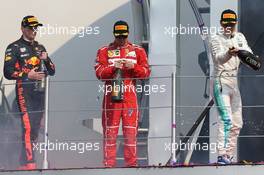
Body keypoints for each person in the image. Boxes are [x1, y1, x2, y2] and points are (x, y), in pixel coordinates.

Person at [95, 20, 150, 167]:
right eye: (119, 36)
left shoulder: (138, 51)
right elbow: (99, 73)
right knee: (110, 133)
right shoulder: (104, 51)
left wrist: (134, 66)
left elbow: (146, 73)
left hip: (130, 96)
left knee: (130, 133)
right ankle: (108, 166)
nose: (121, 40)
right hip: (111, 96)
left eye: (123, 36)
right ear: (114, 34)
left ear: (128, 34)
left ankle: (131, 165)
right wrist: (113, 68)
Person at [3, 15, 55, 170]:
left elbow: (52, 71)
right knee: (27, 128)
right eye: (31, 27)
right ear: (23, 28)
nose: (34, 30)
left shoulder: (41, 48)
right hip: (24, 92)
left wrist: (46, 60)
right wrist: (27, 75)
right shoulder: (14, 47)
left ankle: (23, 163)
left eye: (35, 28)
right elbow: (7, 72)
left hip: (40, 93)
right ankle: (30, 164)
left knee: (34, 130)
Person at [211, 9, 252, 164]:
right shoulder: (215, 38)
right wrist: (230, 52)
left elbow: (249, 55)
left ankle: (230, 154)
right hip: (221, 82)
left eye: (232, 24)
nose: (229, 26)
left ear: (235, 23)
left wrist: (243, 53)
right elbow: (218, 58)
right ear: (221, 23)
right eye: (226, 23)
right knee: (226, 119)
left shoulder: (240, 37)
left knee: (237, 123)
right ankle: (222, 155)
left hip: (234, 84)